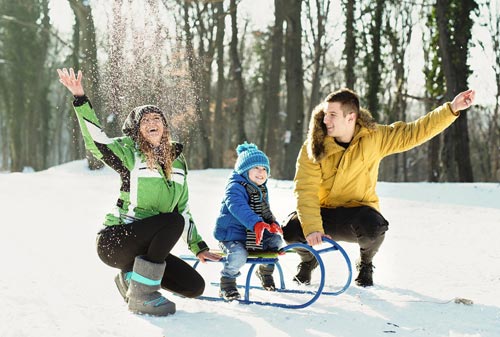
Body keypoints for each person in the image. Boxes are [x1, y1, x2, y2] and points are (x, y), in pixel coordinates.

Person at [57, 68, 221, 316]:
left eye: (157, 118)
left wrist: (199, 247)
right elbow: (96, 141)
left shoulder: (178, 163)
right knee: (170, 221)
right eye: (145, 120)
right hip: (115, 242)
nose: (153, 122)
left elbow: (183, 209)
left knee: (193, 286)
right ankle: (142, 294)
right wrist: (80, 99)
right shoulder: (129, 154)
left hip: (144, 249)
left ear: (165, 127)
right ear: (137, 130)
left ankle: (130, 279)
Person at [283, 87, 475, 287]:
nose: (325, 120)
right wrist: (313, 228)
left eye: (332, 115)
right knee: (291, 230)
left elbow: (415, 132)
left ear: (351, 117)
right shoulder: (313, 147)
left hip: (357, 213)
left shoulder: (374, 137)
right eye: (325, 114)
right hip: (324, 213)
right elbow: (305, 189)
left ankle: (366, 263)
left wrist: (451, 109)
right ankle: (308, 261)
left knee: (374, 227)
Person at [213, 142, 284, 301]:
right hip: (231, 236)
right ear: (244, 170)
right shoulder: (235, 187)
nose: (261, 172)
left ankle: (265, 272)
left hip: (252, 235)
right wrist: (256, 223)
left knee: (276, 241)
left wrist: (272, 223)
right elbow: (237, 207)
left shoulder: (261, 189)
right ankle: (227, 283)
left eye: (264, 169)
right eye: (256, 168)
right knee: (239, 254)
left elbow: (265, 212)